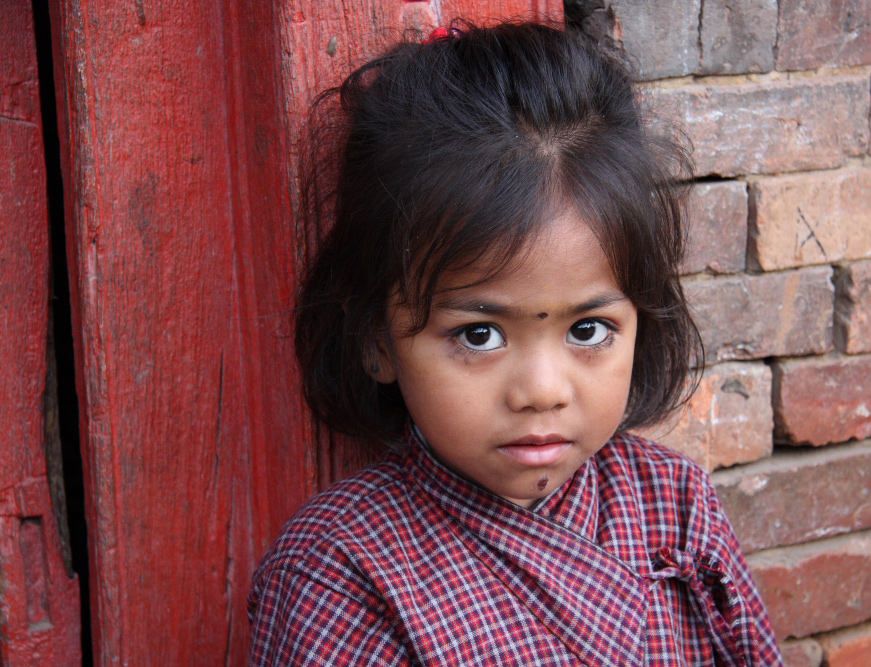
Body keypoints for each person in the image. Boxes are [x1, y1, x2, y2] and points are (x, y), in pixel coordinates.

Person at [248, 20, 782, 666]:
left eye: (588, 330)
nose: (541, 390)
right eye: (479, 334)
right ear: (376, 338)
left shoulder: (675, 505)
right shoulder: (341, 568)